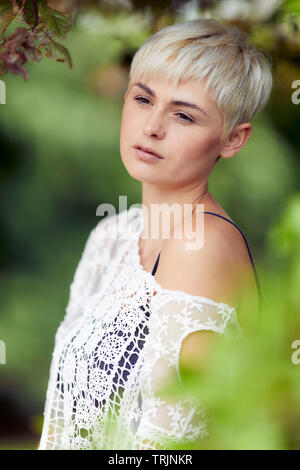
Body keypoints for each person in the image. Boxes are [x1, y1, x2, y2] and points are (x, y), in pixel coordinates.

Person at [38, 17, 273, 450]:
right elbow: (63, 422)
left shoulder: (201, 246)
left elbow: (171, 447)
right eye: (144, 99)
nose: (152, 126)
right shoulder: (112, 235)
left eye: (183, 114)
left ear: (233, 140)